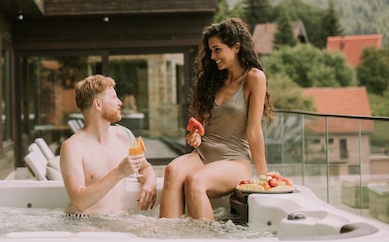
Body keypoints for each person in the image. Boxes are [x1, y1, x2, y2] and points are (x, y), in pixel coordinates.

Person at [159, 18, 276, 220]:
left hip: (234, 160)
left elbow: (254, 130)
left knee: (195, 180)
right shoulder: (214, 79)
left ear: (236, 47)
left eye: (217, 50)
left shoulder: (254, 78)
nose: (212, 56)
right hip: (203, 155)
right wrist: (195, 136)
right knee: (173, 170)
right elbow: (202, 126)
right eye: (210, 51)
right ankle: (167, 237)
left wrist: (263, 176)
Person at [60, 74, 157, 215]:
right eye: (113, 97)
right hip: (83, 225)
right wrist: (119, 172)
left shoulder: (124, 135)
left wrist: (151, 182)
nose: (120, 103)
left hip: (117, 220)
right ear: (97, 104)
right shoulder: (72, 147)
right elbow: (79, 202)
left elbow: (144, 167)